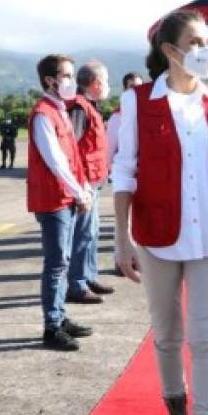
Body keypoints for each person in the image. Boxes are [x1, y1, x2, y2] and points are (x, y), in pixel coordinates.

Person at [113, 10, 208, 415]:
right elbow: (125, 170)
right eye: (195, 41)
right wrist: (120, 237)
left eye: (207, 40)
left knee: (206, 338)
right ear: (171, 50)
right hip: (157, 236)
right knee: (167, 335)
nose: (205, 48)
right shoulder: (138, 102)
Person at [27, 54, 94, 351]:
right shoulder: (43, 113)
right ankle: (52, 327)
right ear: (50, 81)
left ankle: (60, 317)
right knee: (56, 264)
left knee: (63, 261)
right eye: (66, 76)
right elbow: (54, 160)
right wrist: (79, 192)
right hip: (53, 199)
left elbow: (72, 157)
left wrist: (83, 189)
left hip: (66, 195)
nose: (71, 81)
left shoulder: (60, 110)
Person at [66, 60, 115, 304]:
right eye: (106, 82)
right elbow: (70, 149)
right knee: (83, 234)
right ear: (95, 84)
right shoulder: (79, 108)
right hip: (84, 183)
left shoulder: (89, 106)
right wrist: (79, 186)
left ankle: (88, 276)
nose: (108, 86)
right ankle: (76, 284)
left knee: (92, 233)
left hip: (94, 180)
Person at [106, 72, 144, 171]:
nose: (136, 90)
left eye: (139, 87)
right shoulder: (117, 117)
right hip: (126, 171)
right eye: (132, 87)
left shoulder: (148, 114)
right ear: (125, 90)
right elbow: (109, 150)